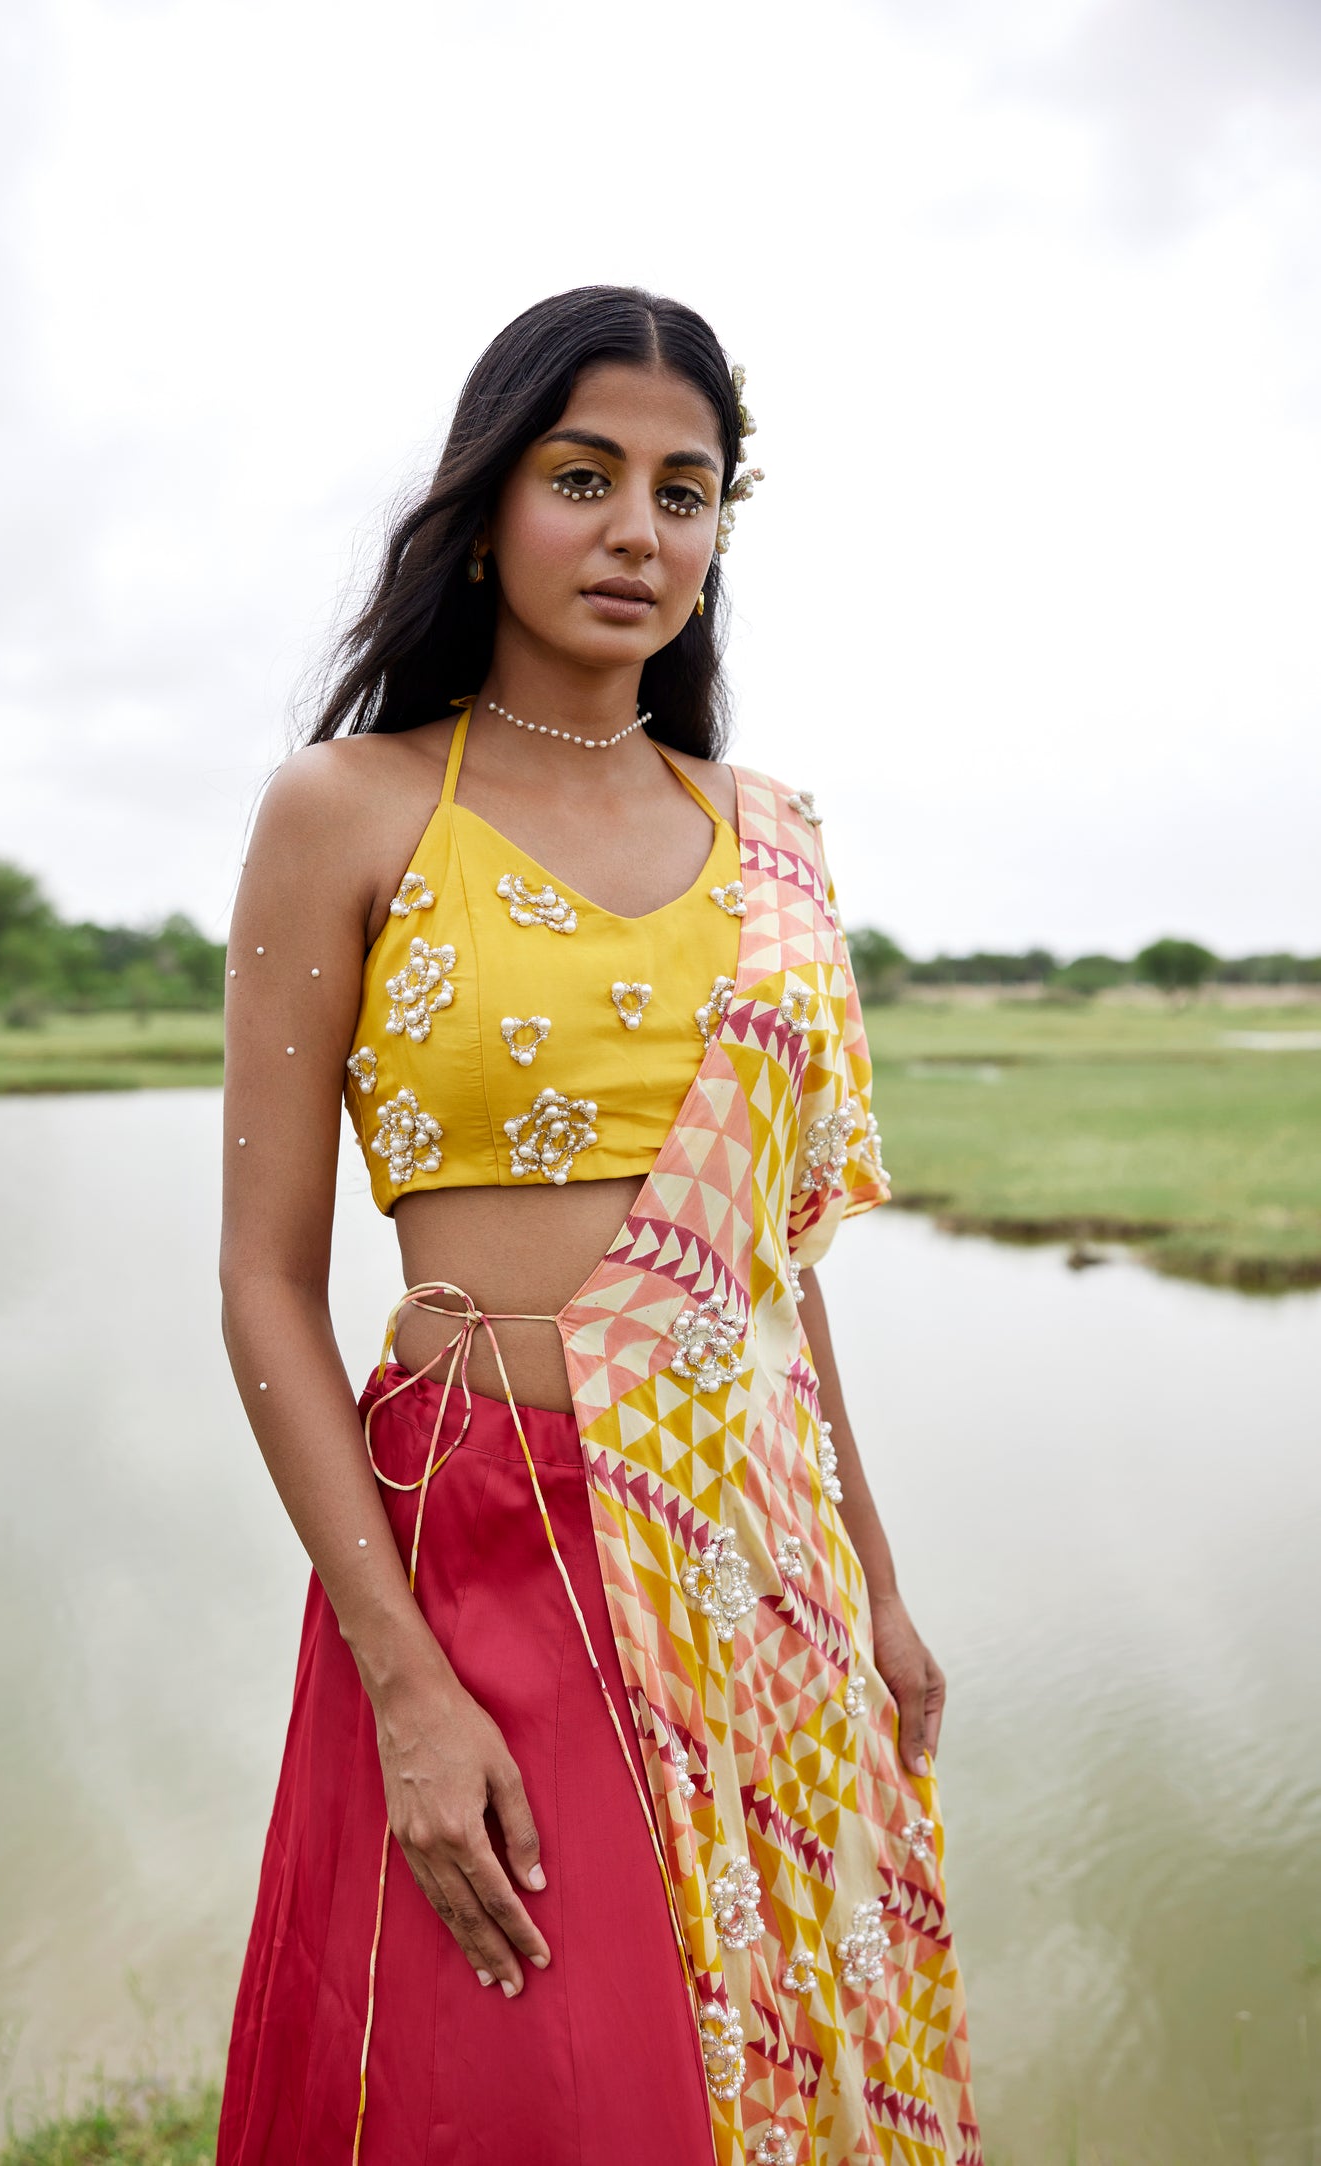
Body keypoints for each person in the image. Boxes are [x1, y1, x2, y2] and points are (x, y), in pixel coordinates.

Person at [215, 286, 982, 2166]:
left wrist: (876, 1585)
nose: (639, 531)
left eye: (685, 489)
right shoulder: (351, 808)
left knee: (778, 2061)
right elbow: (263, 1278)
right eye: (584, 478)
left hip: (755, 1520)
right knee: (547, 2087)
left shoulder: (775, 833)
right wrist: (404, 1677)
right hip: (486, 1533)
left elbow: (779, 1267)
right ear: (485, 509)